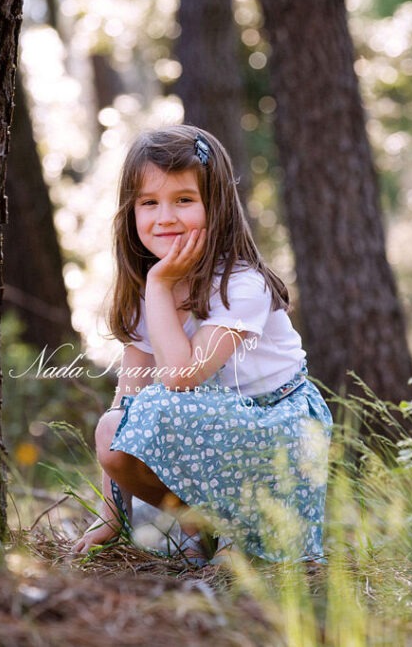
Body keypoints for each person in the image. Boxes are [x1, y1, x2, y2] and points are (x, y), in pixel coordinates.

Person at [71, 124, 332, 563]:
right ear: (130, 212)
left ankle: (247, 535)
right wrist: (111, 513)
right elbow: (127, 402)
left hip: (277, 431)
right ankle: (205, 523)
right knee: (113, 429)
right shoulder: (145, 290)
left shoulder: (241, 284)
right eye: (149, 203)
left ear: (217, 206)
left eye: (184, 200)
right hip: (212, 432)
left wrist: (160, 288)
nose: (165, 217)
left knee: (163, 405)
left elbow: (180, 377)